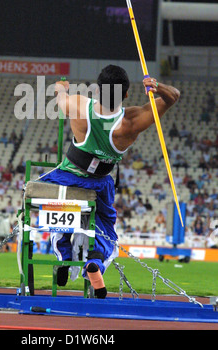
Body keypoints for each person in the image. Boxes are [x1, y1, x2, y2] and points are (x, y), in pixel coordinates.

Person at [39, 65, 180, 298]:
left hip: (69, 178)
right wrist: (157, 86)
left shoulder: (77, 104)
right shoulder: (131, 122)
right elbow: (173, 96)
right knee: (106, 230)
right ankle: (95, 260)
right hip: (99, 184)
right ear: (125, 94)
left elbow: (61, 97)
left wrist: (60, 89)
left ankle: (64, 256)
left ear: (96, 90)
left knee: (60, 214)